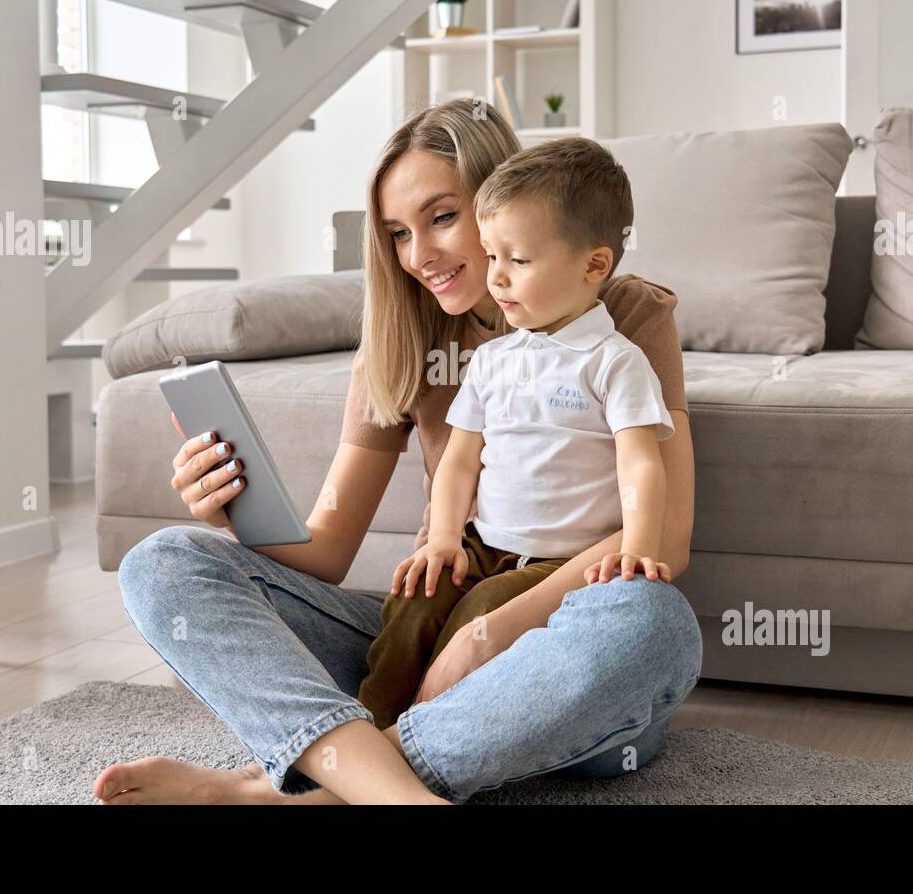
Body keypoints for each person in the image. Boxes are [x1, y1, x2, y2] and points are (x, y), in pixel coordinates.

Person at [93, 99, 702, 805]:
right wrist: (229, 513)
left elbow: (666, 538)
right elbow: (325, 553)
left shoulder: (624, 315)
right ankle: (394, 788)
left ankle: (284, 793)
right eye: (397, 235)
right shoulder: (401, 342)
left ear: (504, 198)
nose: (419, 257)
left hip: (558, 655)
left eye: (443, 218)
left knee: (652, 622)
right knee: (164, 563)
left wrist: (489, 636)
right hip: (422, 641)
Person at [358, 137, 675, 731]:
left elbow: (640, 464)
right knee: (413, 602)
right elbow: (458, 463)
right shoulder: (492, 360)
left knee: (479, 613)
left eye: (518, 261)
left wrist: (639, 543)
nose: (497, 279)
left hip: (558, 560)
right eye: (491, 256)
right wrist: (443, 539)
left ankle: (424, 733)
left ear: (594, 266)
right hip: (482, 544)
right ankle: (366, 726)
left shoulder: (615, 361)